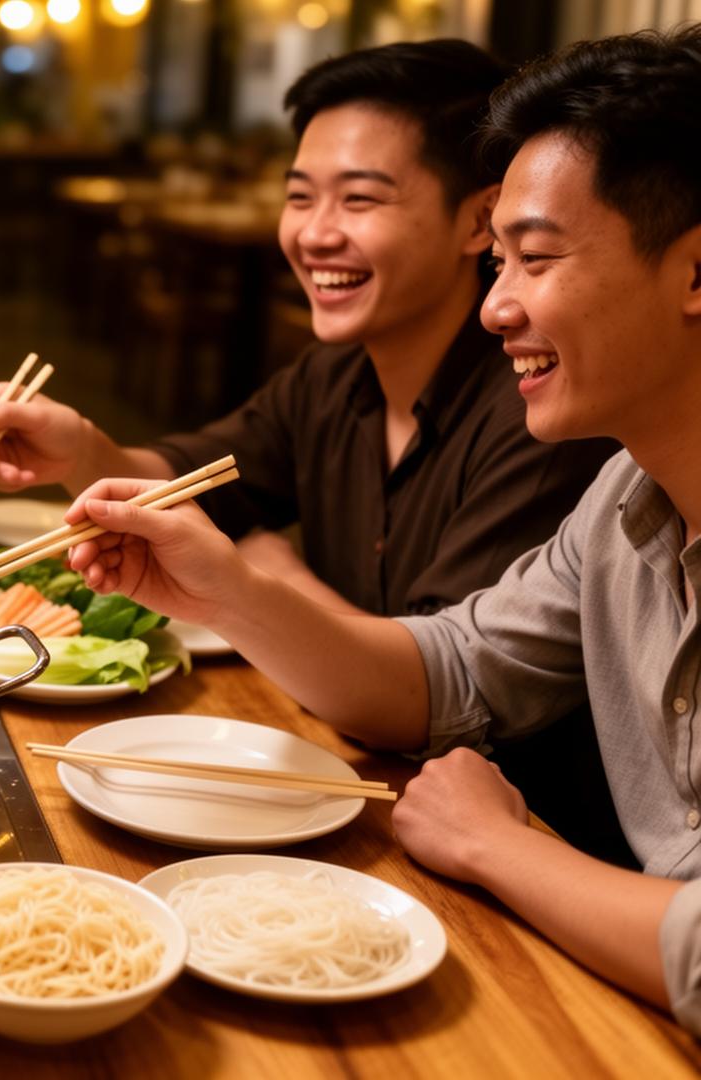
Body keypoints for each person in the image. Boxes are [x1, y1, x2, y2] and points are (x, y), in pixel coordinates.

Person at [52, 27, 701, 1031]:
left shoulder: (580, 458)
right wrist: (228, 589)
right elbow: (446, 673)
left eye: (534, 257)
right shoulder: (627, 502)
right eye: (503, 260)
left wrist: (500, 844)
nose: (498, 307)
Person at [0, 40, 623, 859]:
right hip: (348, 794)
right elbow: (196, 484)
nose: (315, 233)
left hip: (488, 832)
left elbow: (424, 686)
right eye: (300, 197)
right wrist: (76, 448)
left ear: (476, 221)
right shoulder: (335, 374)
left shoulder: (548, 412)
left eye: (360, 200)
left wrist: (273, 570)